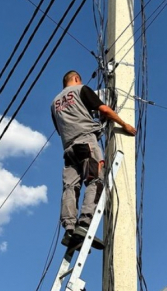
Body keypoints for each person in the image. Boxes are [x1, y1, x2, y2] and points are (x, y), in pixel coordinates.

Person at [51, 70, 136, 249]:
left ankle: (69, 229)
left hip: (68, 149)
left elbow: (60, 130)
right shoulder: (81, 89)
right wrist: (124, 124)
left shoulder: (54, 104)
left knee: (70, 187)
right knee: (95, 179)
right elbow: (104, 109)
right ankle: (84, 224)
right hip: (86, 142)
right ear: (76, 79)